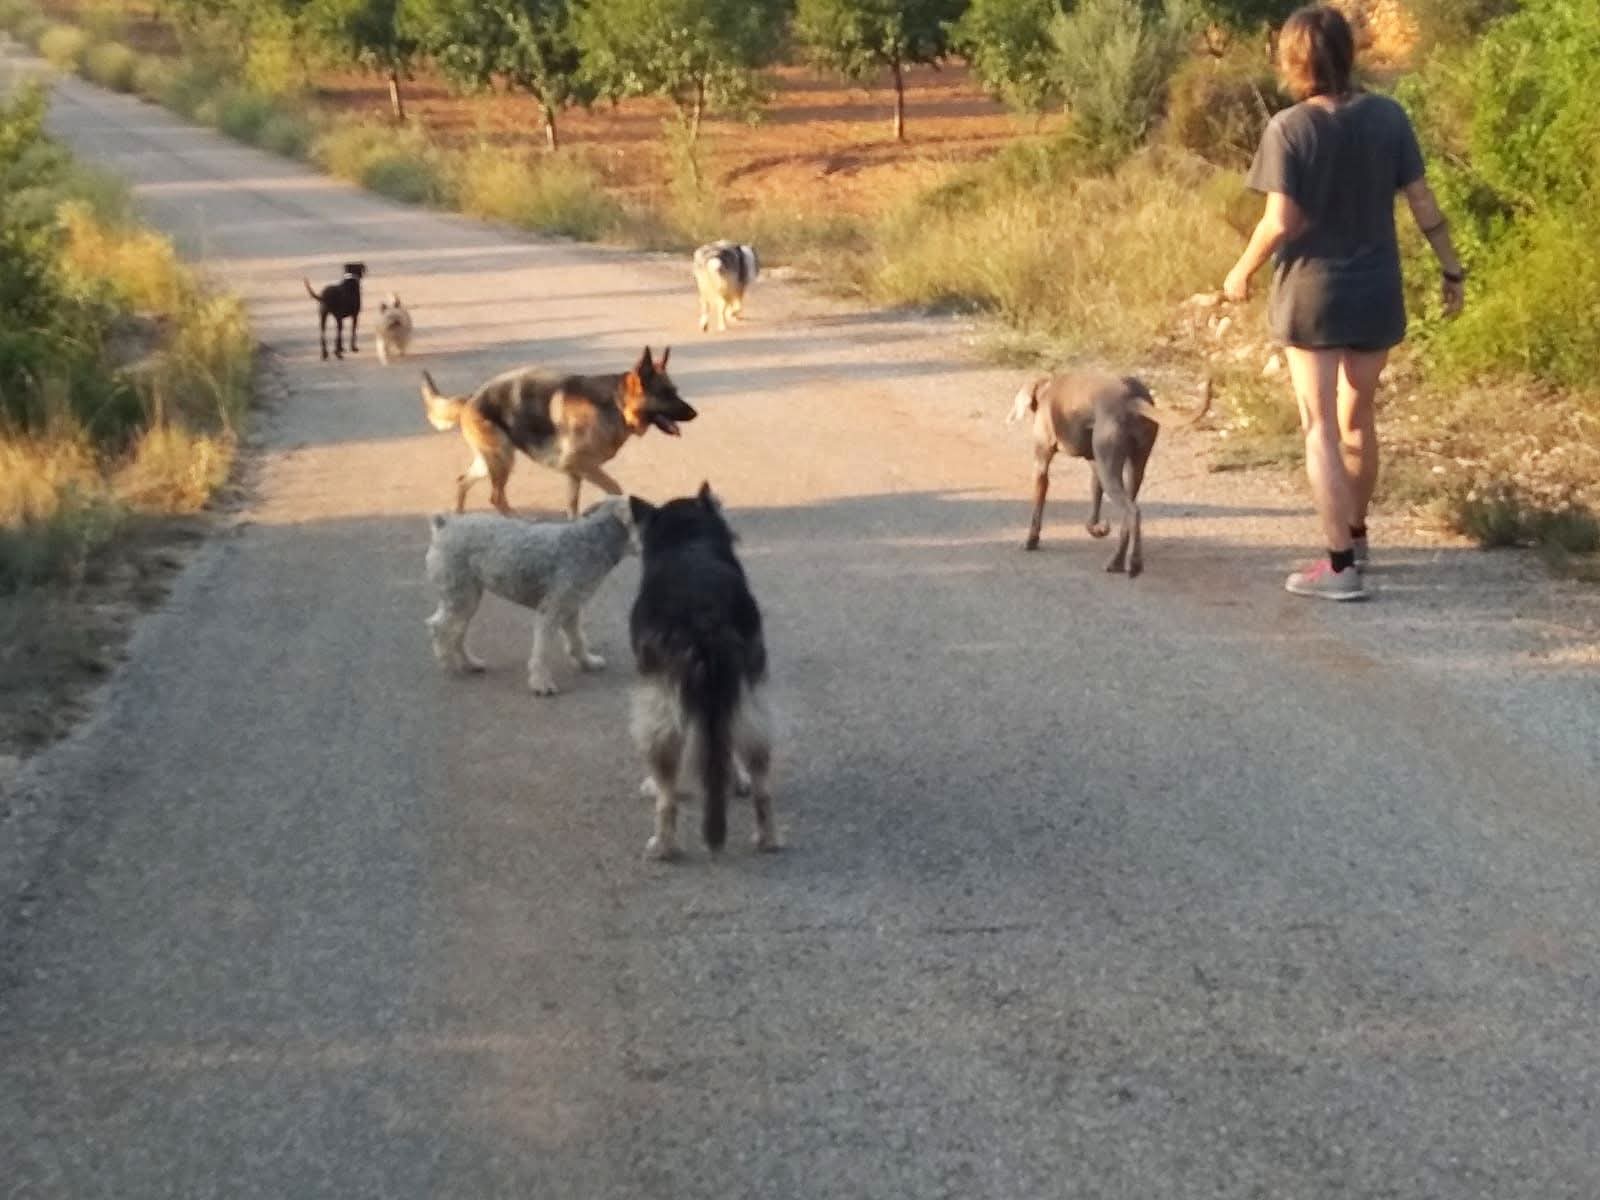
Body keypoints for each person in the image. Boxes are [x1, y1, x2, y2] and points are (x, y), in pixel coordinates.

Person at [1223, 3, 1464, 601]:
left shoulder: (1289, 128)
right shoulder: (1389, 117)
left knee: (1320, 427)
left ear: (1293, 60)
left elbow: (1280, 221)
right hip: (1377, 288)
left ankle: (1337, 567)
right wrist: (1451, 268)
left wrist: (1240, 271)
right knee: (1359, 419)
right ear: (1349, 54)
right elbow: (1423, 200)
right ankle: (1356, 537)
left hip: (1313, 295)